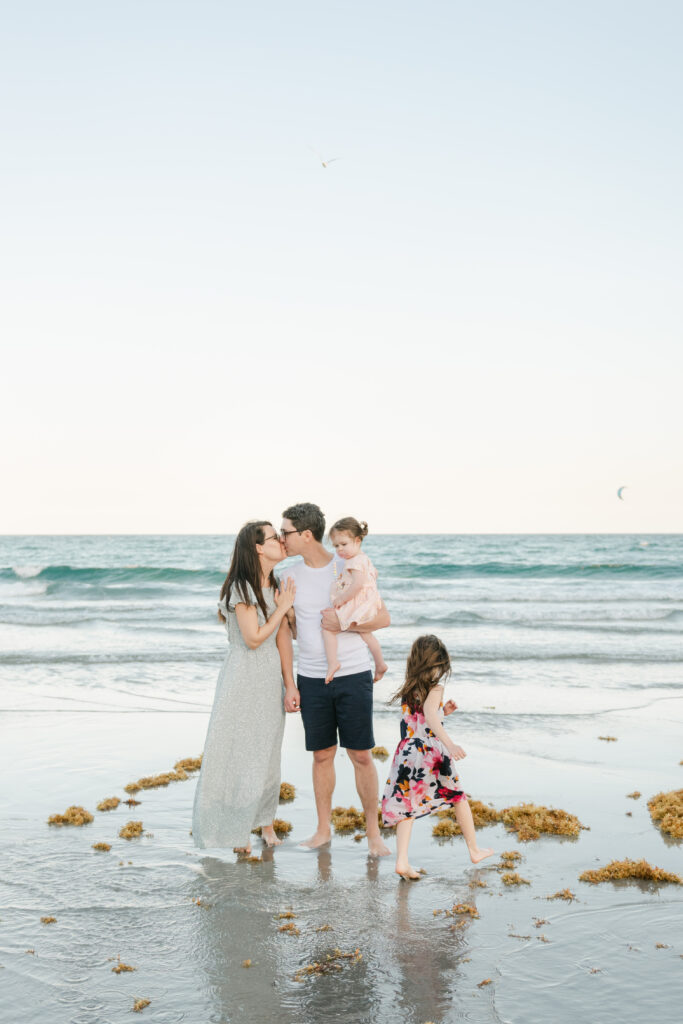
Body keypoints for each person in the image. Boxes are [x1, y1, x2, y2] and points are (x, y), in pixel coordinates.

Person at [279, 502, 391, 855]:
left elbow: (382, 618)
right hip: (310, 676)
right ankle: (322, 830)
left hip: (354, 671)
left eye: (286, 532)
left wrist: (344, 624)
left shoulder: (349, 563)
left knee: (360, 755)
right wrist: (290, 684)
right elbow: (286, 632)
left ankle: (374, 834)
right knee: (322, 755)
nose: (282, 538)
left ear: (305, 534)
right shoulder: (289, 576)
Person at [192, 521, 298, 853]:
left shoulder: (277, 583)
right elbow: (252, 639)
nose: (282, 541)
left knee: (267, 750)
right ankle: (236, 829)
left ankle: (265, 823)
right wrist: (282, 608)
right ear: (256, 547)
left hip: (269, 677)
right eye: (274, 537)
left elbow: (282, 637)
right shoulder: (242, 587)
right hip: (242, 675)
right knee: (239, 750)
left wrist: (290, 684)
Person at [381, 634, 494, 880]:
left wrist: (445, 712)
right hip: (430, 753)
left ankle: (402, 861)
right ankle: (474, 850)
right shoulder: (436, 687)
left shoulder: (409, 686)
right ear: (436, 664)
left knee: (407, 807)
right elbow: (430, 718)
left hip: (406, 752)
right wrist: (450, 744)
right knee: (458, 797)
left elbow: (421, 720)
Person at [322, 517, 388, 685]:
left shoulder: (354, 561)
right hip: (368, 601)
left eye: (344, 544)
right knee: (365, 633)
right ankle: (380, 663)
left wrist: (343, 598)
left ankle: (332, 663)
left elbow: (358, 584)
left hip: (358, 601)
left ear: (357, 540)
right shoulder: (364, 558)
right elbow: (374, 574)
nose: (340, 549)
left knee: (327, 628)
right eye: (336, 546)